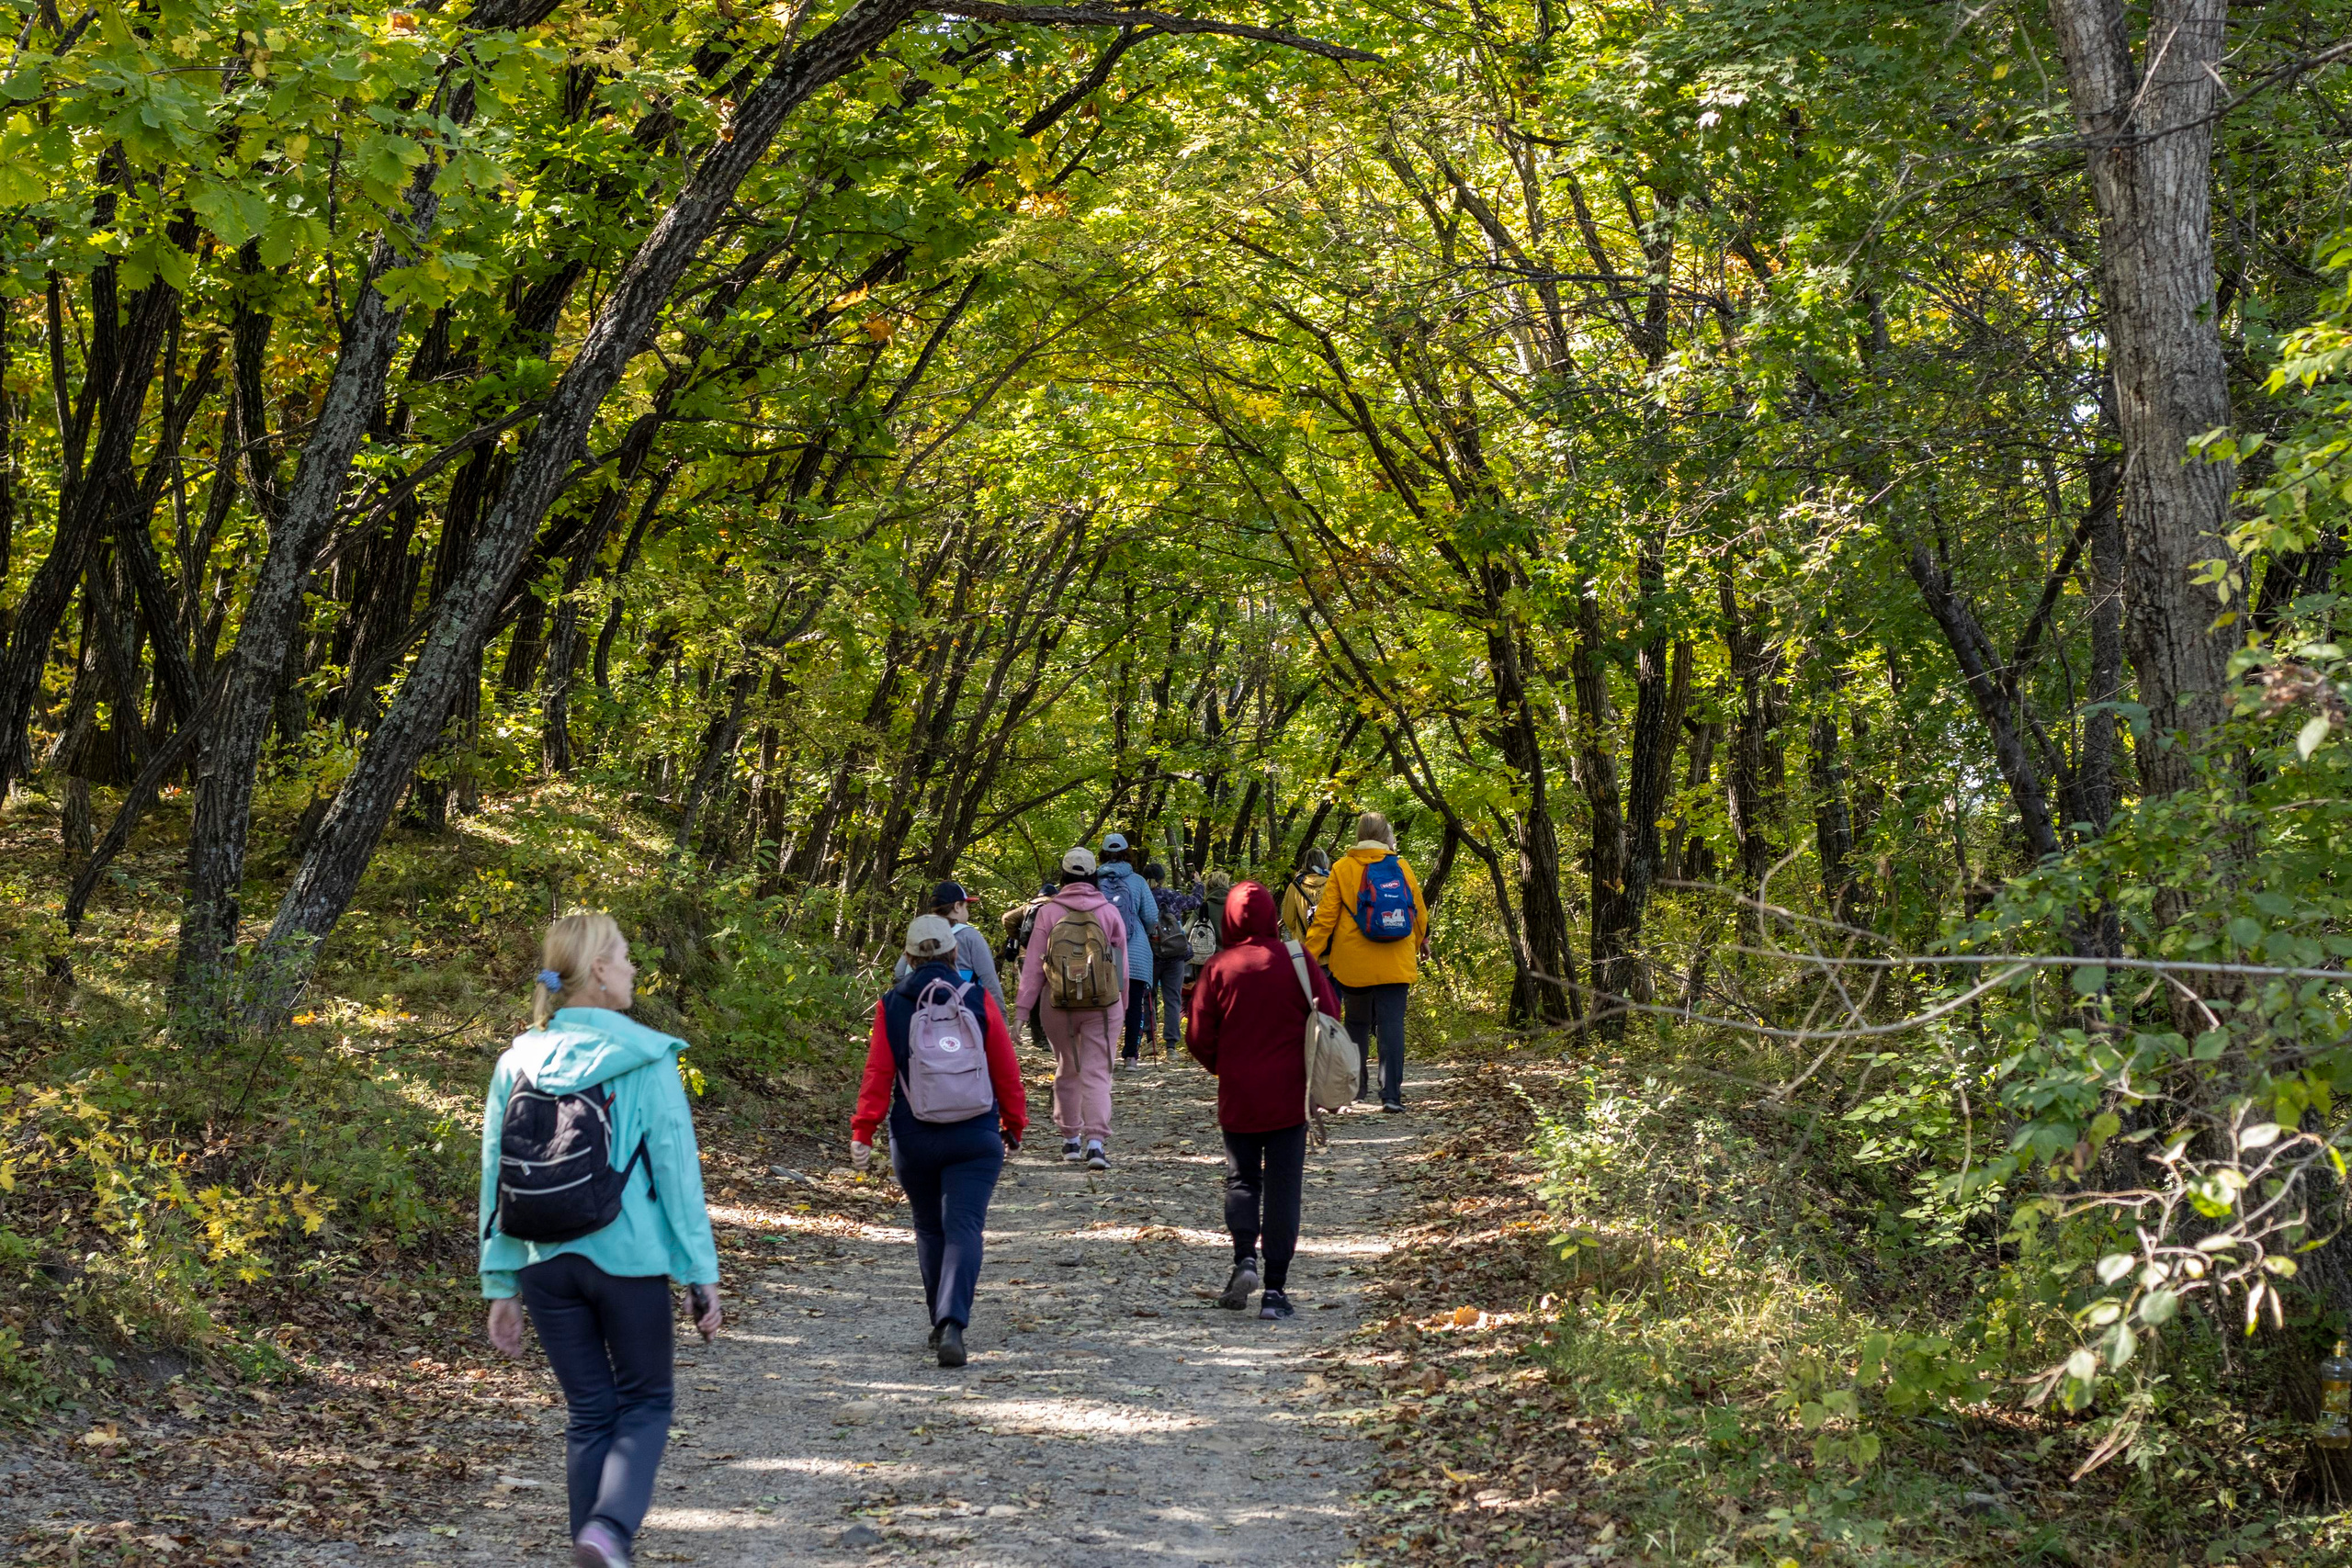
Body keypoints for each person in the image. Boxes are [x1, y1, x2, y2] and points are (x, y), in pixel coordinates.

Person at [481, 912, 722, 1568]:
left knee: (590, 1409)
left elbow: (494, 1175)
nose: (634, 967)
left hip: (540, 1261)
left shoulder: (516, 1058)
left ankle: (592, 1542)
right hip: (627, 1257)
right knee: (646, 1399)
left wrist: (500, 1281)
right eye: (625, 955)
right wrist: (701, 1274)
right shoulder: (646, 1056)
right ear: (600, 971)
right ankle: (609, 1531)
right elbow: (676, 1172)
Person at [853, 915, 1027, 1368]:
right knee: (964, 1226)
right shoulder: (976, 997)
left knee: (930, 1227)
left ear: (909, 958)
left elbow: (879, 1073)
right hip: (975, 1133)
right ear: (955, 952)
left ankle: (938, 1321)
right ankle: (954, 1322)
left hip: (914, 1135)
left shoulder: (892, 1003)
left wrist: (864, 1131)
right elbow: (1005, 1068)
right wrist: (1015, 1123)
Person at [1185, 880, 1340, 1322]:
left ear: (1229, 918)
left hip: (1239, 1094)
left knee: (1242, 1181)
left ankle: (1244, 1261)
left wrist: (1225, 1065)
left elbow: (1197, 1035)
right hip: (1291, 1094)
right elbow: (1330, 1013)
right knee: (1284, 1187)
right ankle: (1275, 1292)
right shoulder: (1296, 959)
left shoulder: (1218, 967)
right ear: (1272, 914)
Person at [1304, 811, 1429, 1113]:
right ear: (1386, 835)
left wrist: (1307, 956)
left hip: (1354, 963)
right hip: (1396, 959)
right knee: (1391, 1024)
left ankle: (1357, 1090)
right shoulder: (1401, 866)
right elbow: (1419, 912)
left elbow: (1325, 919)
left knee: (1357, 1023)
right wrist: (1420, 941)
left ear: (1359, 835)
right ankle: (1391, 1096)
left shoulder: (1343, 868)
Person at [1014, 846, 1128, 1169]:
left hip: (1058, 1003)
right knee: (1096, 1071)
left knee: (1067, 1067)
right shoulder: (1108, 912)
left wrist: (1022, 1012)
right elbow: (1122, 967)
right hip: (1104, 1006)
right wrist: (1124, 1003)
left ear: (1063, 875)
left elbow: (1034, 966)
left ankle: (1070, 1141)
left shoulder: (1049, 913)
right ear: (1094, 876)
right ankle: (1096, 1144)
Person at [894, 879, 1006, 1017]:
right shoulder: (969, 935)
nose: (967, 912)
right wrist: (1001, 1017)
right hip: (963, 1013)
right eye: (966, 907)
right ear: (958, 906)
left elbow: (900, 972)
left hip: (919, 1013)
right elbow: (990, 980)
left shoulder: (921, 933)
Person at [1096, 832, 1160, 1069]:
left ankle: (1103, 1055)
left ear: (1102, 854)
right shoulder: (1138, 881)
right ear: (1127, 853)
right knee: (1133, 1005)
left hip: (1101, 952)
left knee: (1102, 1004)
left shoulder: (1093, 881)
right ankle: (1131, 1057)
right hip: (1134, 953)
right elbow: (1151, 916)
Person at [1145, 862, 1195, 1055]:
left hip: (1150, 954)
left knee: (1147, 997)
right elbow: (1195, 901)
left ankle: (1150, 1041)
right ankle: (1171, 1046)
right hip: (1175, 955)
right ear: (1162, 878)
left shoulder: (1143, 896)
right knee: (1172, 999)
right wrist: (1197, 883)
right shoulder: (1171, 896)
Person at [1280, 847, 1331, 941]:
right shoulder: (1333, 884)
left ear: (1304, 864)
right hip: (1331, 947)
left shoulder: (1294, 887)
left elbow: (1289, 922)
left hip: (1305, 947)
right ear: (1325, 863)